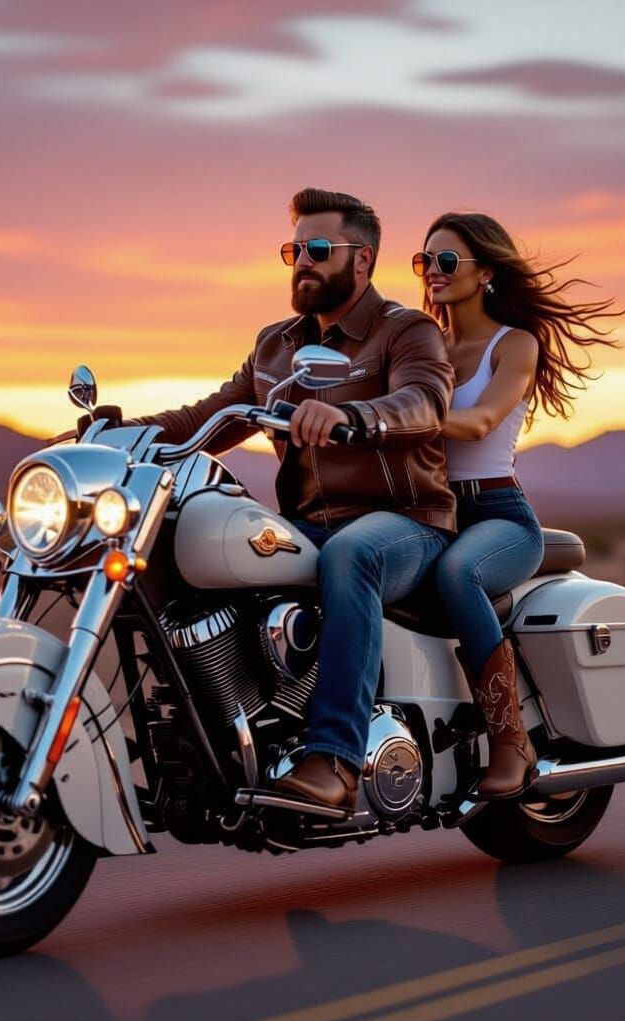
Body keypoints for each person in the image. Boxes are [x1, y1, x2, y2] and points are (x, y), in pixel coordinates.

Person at [134, 188, 456, 811]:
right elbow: (213, 414)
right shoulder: (276, 345)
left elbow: (425, 402)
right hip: (309, 524)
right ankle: (214, 741)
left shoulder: (406, 331)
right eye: (294, 250)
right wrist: (120, 433)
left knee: (352, 555)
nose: (301, 263)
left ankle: (334, 758)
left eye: (316, 249)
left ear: (361, 260)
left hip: (408, 524)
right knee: (173, 546)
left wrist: (356, 417)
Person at [413, 212, 624, 798]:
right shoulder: (422, 345)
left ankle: (511, 741)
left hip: (497, 515)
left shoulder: (515, 344)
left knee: (459, 574)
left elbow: (480, 422)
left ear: (486, 271)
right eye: (424, 260)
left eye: (447, 260)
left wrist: (389, 419)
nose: (432, 271)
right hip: (430, 511)